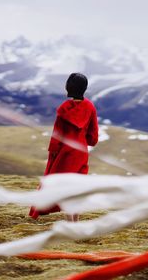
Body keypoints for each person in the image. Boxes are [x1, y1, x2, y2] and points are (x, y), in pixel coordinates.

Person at [29, 73, 99, 222]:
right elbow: (93, 138)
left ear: (69, 87)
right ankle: (75, 220)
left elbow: (57, 136)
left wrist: (53, 155)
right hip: (80, 152)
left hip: (63, 154)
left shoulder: (64, 109)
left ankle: (70, 221)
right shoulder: (90, 107)